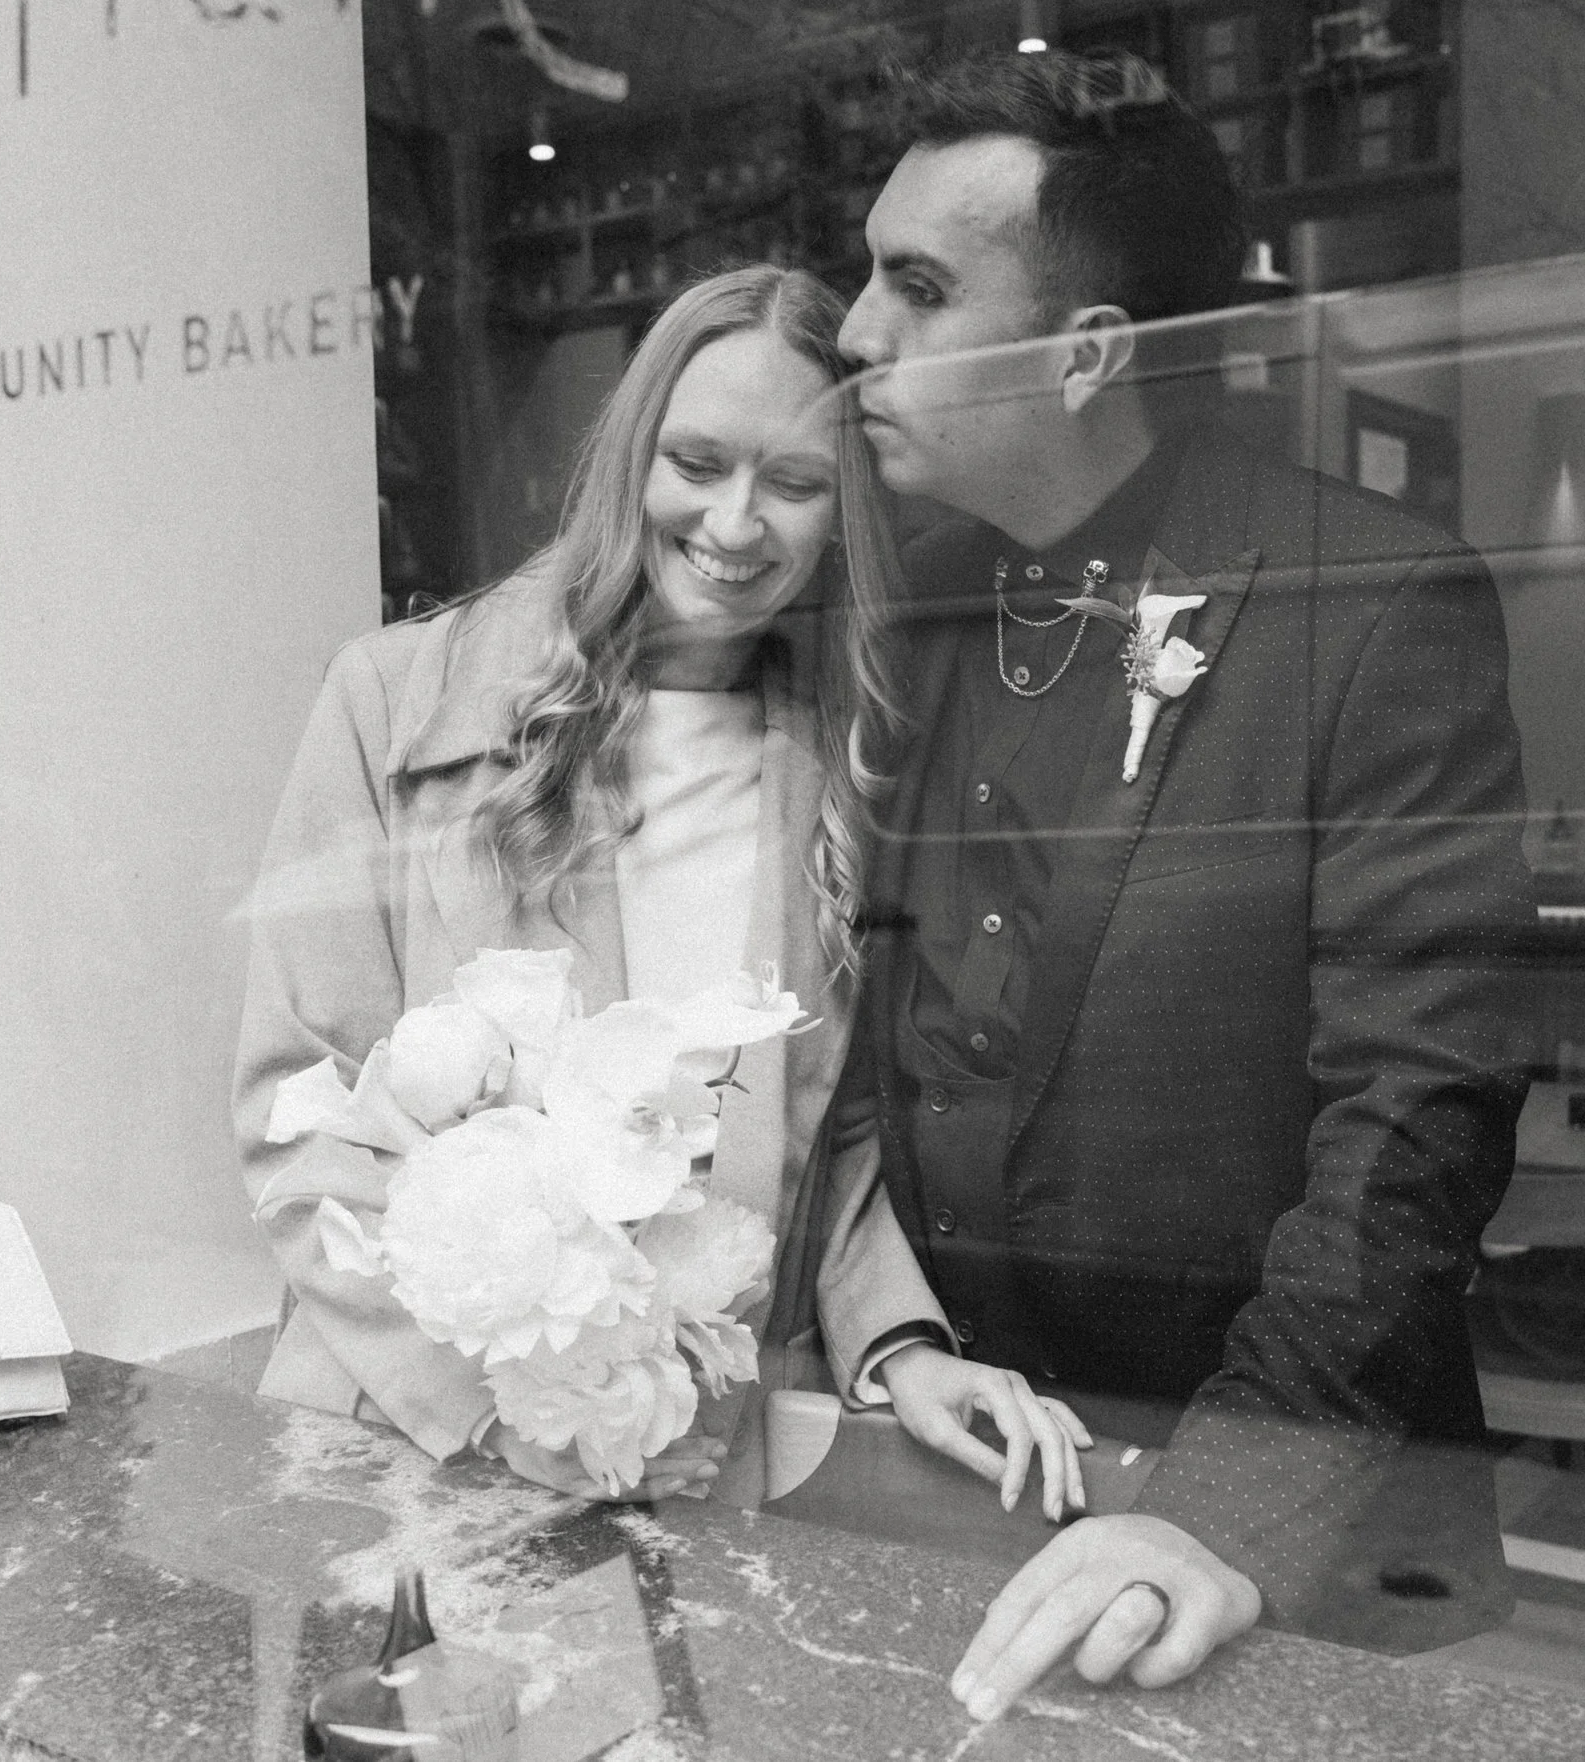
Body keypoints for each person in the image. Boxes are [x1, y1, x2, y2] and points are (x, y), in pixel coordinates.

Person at [830, 51, 1538, 1717]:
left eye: (919, 289)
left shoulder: (1372, 603)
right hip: (953, 1485)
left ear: (1084, 353)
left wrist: (1215, 1514)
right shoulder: (905, 616)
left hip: (1269, 1544)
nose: (856, 333)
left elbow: (1417, 1117)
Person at [232, 265, 1086, 1512]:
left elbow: (828, 1135)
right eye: (697, 462)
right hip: (405, 1444)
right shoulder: (393, 701)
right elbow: (298, 1114)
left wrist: (899, 1343)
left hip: (694, 1448)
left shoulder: (843, 761)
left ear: (840, 513)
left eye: (793, 483)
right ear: (631, 457)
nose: (736, 526)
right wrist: (517, 1417)